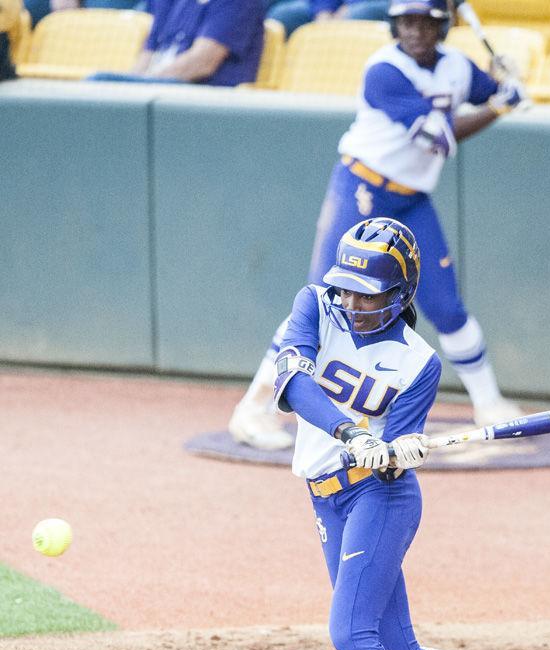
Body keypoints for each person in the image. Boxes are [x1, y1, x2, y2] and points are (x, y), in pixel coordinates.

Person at [273, 216, 550, 650]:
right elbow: (293, 383)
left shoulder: (419, 363)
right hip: (325, 497)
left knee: (351, 635)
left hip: (380, 502)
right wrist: (354, 431)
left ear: (401, 295)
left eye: (369, 294)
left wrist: (396, 450)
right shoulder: (315, 307)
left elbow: (393, 458)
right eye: (349, 289)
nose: (354, 303)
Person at [229, 0, 525, 450]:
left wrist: (506, 78)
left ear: (442, 26)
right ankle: (253, 408)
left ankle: (489, 402)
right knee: (322, 299)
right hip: (363, 190)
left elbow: (491, 89)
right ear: (394, 25)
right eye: (406, 21)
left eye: (426, 22)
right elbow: (438, 137)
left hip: (411, 199)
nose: (415, 31)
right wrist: (501, 107)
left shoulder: (457, 67)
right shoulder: (383, 70)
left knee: (445, 304)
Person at [88, 0, 264, 86]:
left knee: (98, 81)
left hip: (206, 97)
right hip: (163, 90)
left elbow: (202, 63)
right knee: (104, 89)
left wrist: (140, 87)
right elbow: (149, 53)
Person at [266, 0, 389, 39]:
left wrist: (350, 5)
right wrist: (323, 10)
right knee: (282, 16)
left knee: (354, 16)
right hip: (339, 5)